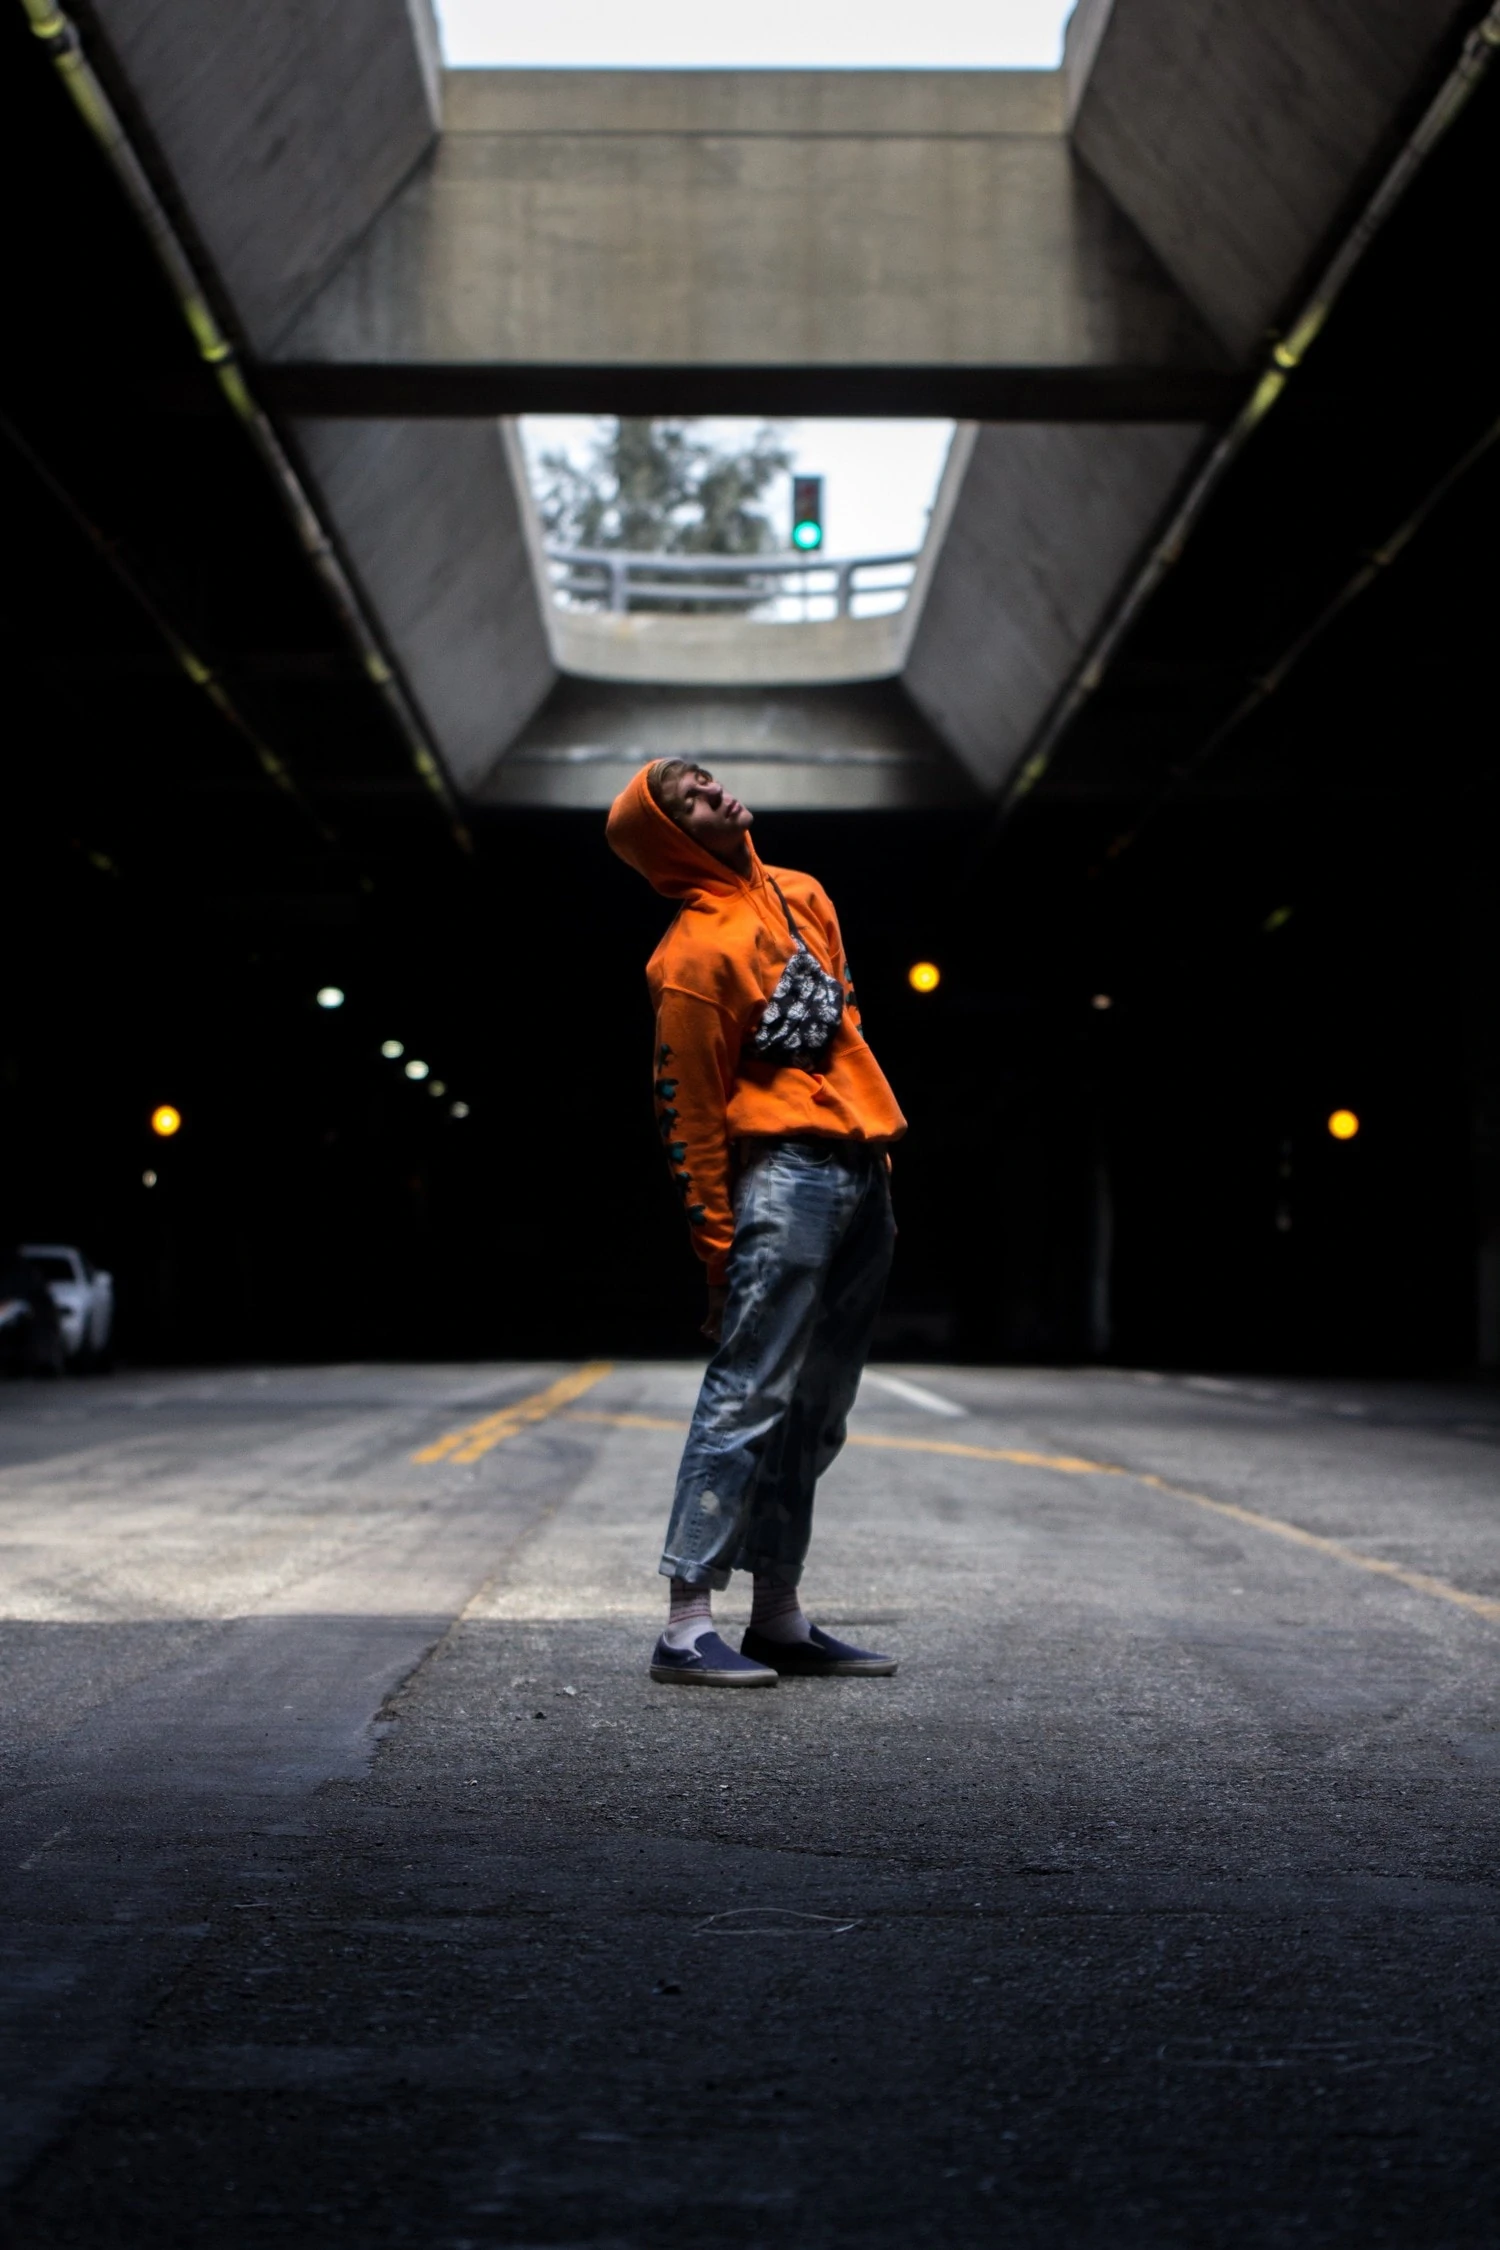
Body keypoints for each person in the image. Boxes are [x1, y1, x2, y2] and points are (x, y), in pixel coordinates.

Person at [606, 758, 907, 1687]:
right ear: (673, 840)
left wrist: (873, 1152)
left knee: (822, 1403)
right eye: (691, 800)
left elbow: (842, 1024)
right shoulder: (690, 959)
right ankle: (686, 1621)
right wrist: (717, 1253)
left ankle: (777, 1614)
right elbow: (686, 1116)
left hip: (860, 1167)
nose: (716, 795)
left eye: (706, 781)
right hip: (782, 1174)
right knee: (748, 1391)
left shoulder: (803, 893)